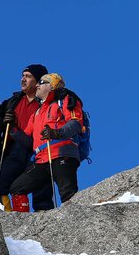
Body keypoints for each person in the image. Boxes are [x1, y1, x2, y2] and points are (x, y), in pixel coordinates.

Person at [8, 73, 85, 207]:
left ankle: (74, 225)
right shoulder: (37, 112)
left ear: (52, 86)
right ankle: (22, 224)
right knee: (17, 188)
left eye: (42, 82)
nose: (37, 85)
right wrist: (13, 129)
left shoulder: (66, 100)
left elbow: (76, 123)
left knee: (68, 195)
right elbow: (28, 141)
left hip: (63, 153)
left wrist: (56, 133)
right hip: (42, 159)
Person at [0, 64, 55, 211]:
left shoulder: (47, 103)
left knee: (41, 190)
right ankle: (11, 221)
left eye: (28, 76)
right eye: (23, 76)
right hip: (15, 149)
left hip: (38, 149)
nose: (23, 79)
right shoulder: (14, 101)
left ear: (38, 82)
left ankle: (42, 220)